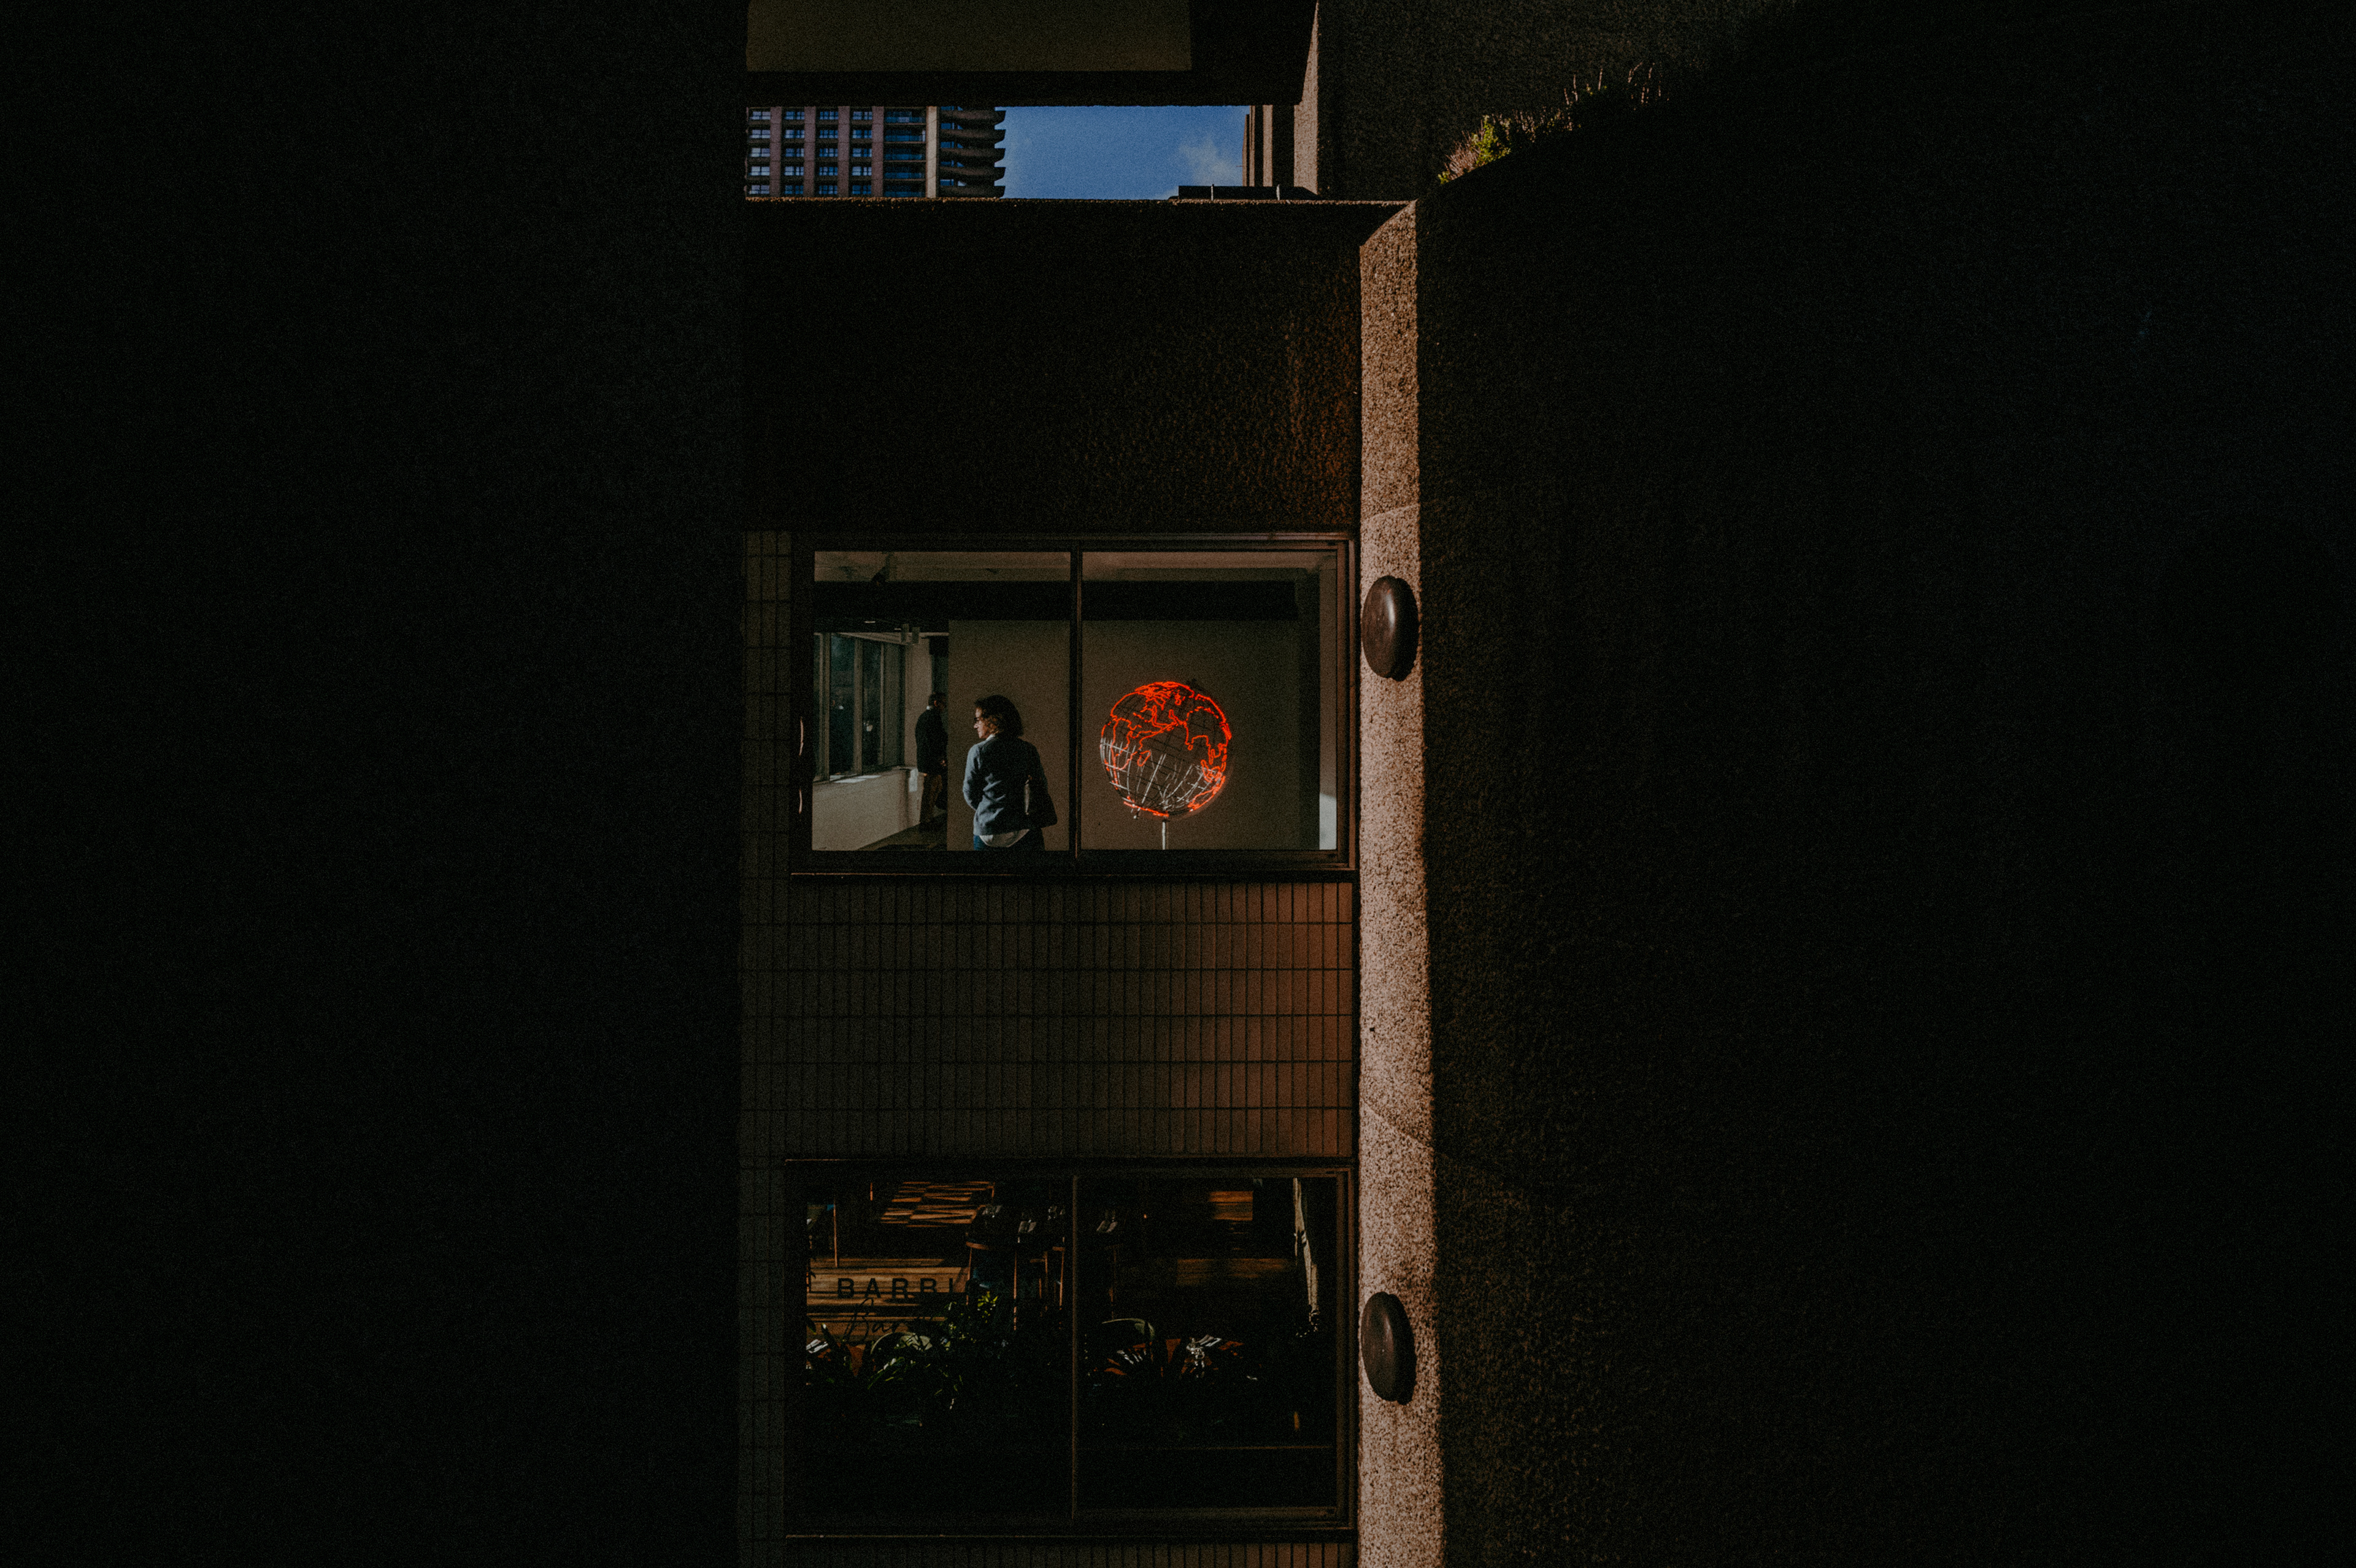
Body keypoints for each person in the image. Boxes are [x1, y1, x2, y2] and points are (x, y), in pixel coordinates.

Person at [963, 694, 1050, 851]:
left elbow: (970, 793)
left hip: (988, 831)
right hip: (1024, 829)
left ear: (992, 721)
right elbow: (1040, 786)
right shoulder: (1028, 750)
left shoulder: (978, 751)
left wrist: (989, 809)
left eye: (978, 720)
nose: (976, 726)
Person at [914, 691, 949, 824]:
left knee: (934, 788)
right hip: (932, 761)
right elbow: (935, 741)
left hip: (926, 759)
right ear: (936, 703)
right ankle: (926, 820)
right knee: (931, 790)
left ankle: (928, 818)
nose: (944, 707)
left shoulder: (924, 717)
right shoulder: (933, 718)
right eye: (943, 704)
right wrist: (940, 758)